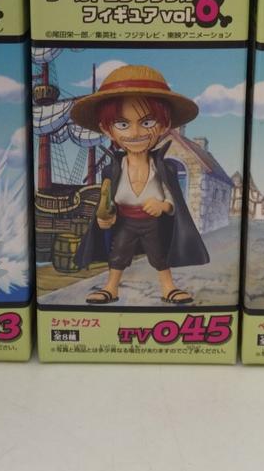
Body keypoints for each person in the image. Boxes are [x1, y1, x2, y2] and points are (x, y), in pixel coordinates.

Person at [71, 65, 209, 305]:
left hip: (151, 221)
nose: (135, 133)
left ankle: (168, 287)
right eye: (122, 124)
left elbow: (172, 199)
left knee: (159, 254)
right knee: (118, 254)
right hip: (125, 220)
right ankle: (111, 287)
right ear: (107, 129)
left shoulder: (164, 168)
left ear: (164, 125)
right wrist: (105, 217)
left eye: (147, 123)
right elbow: (106, 199)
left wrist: (163, 206)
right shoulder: (112, 169)